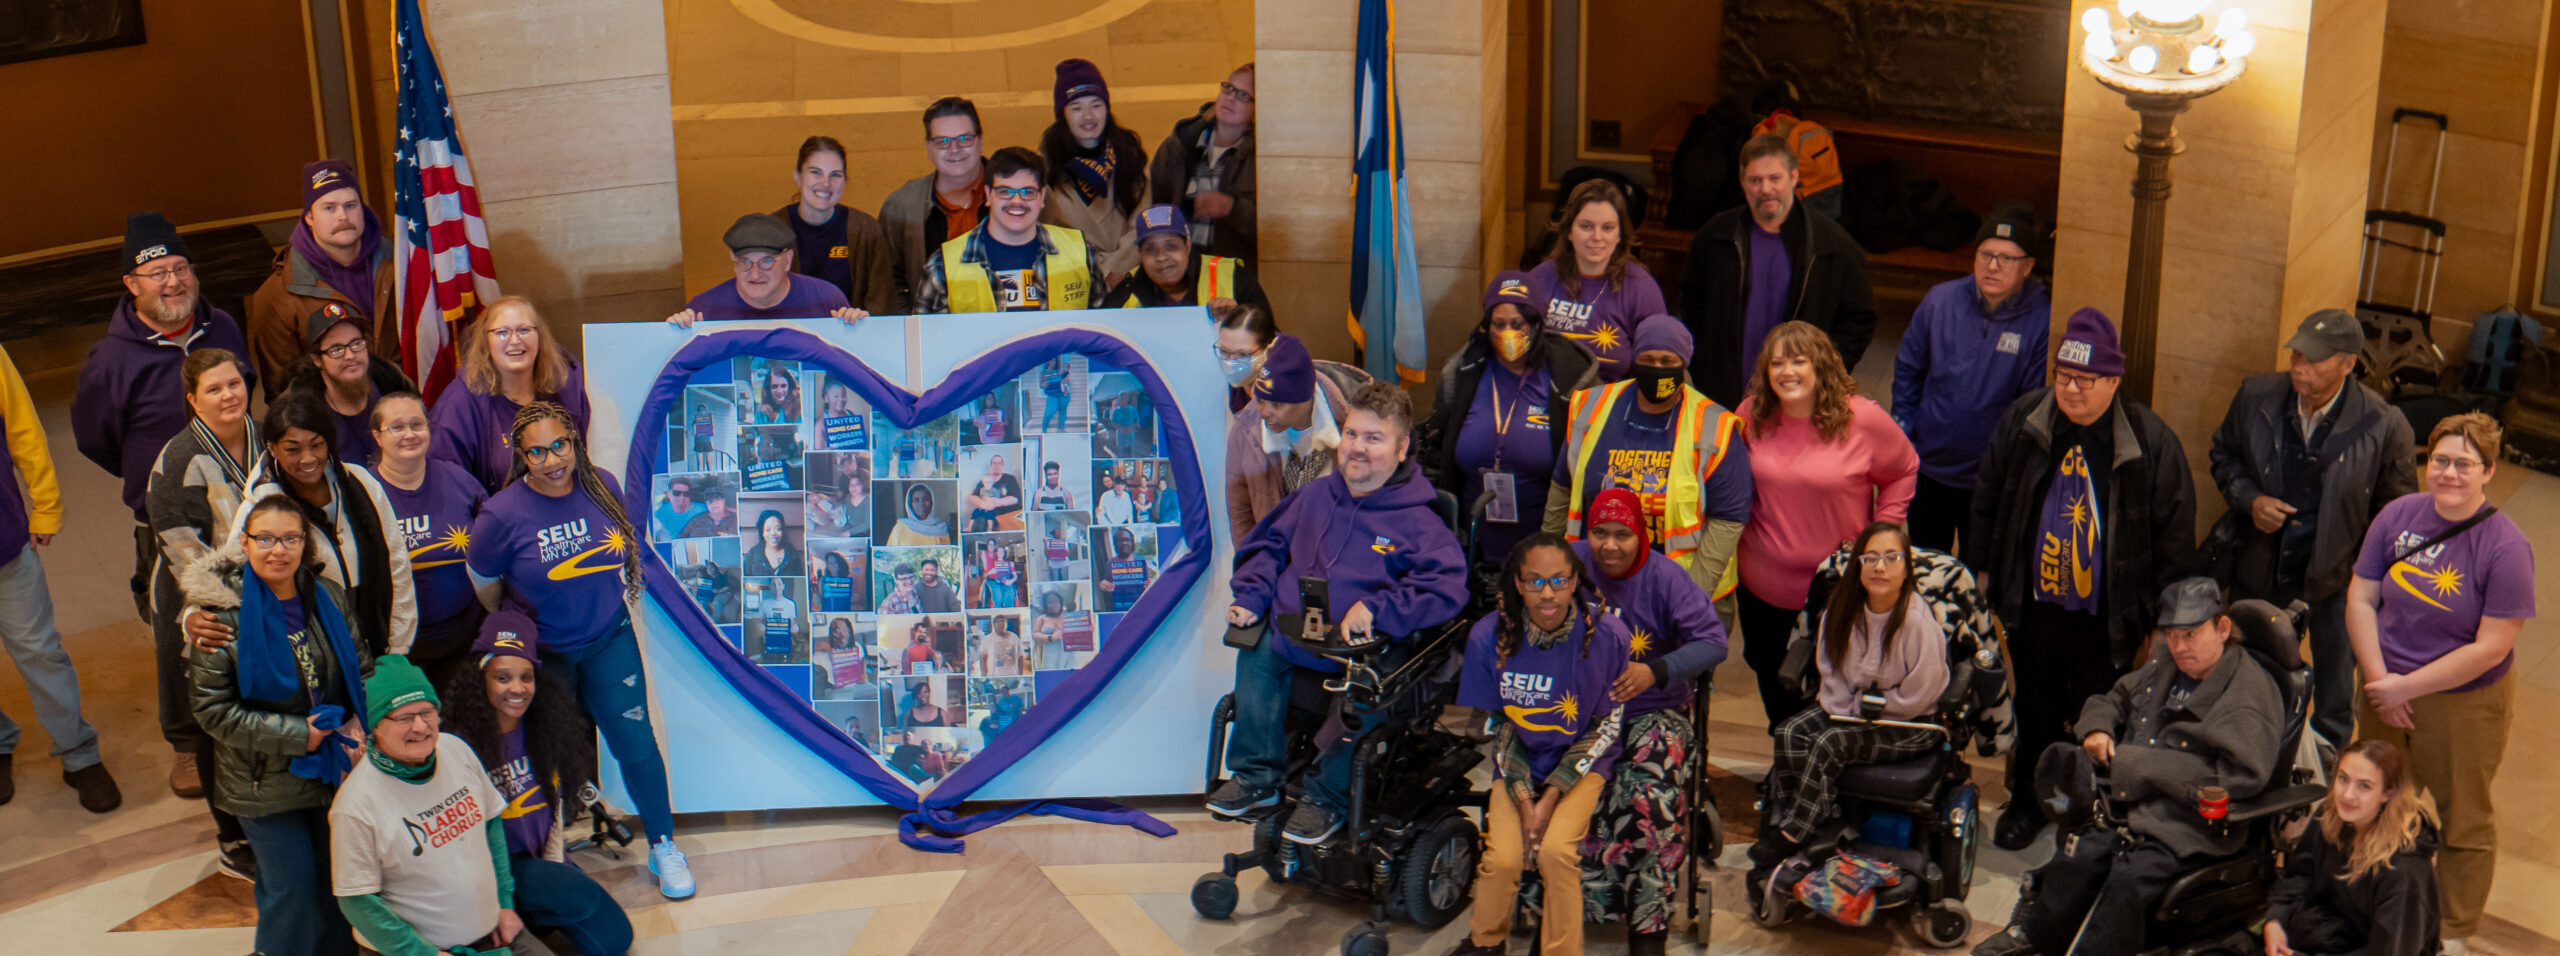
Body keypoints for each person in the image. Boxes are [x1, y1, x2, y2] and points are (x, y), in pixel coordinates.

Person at [1967, 308, 2196, 852]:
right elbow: (1988, 497)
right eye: (2063, 376)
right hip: (2034, 606)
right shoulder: (2026, 420)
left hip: (2109, 614)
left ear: (2113, 382)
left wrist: (2169, 622)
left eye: (2085, 380)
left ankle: (2091, 814)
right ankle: (2029, 801)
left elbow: (2174, 536)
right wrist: (1981, 574)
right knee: (2035, 708)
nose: (2070, 389)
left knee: (2101, 716)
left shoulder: (2149, 440)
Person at [1206, 384, 1468, 842]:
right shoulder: (1313, 497)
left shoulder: (1421, 523)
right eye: (1351, 434)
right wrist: (1250, 594)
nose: (1357, 448)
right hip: (1297, 631)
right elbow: (1266, 547)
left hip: (1362, 652)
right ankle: (1256, 779)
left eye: (1374, 438)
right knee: (1256, 645)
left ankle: (1327, 799)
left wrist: (1380, 607)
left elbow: (1446, 588)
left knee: (1369, 685)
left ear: (1401, 447)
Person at [1974, 578, 2282, 956]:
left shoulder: (2247, 696)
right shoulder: (2167, 667)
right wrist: (2098, 728)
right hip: (2128, 804)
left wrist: (2140, 766)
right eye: (2172, 634)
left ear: (2221, 628)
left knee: (2127, 880)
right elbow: (2111, 698)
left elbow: (2242, 777)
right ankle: (2032, 939)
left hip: (2190, 823)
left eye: (2191, 634)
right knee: (2080, 856)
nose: (2180, 646)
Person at [464, 402, 695, 898]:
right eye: (537, 453)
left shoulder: (602, 486)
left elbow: (620, 552)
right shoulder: (500, 515)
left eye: (560, 446)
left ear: (575, 441)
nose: (552, 461)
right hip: (545, 657)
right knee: (544, 754)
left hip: (609, 639)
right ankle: (553, 855)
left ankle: (663, 844)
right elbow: (485, 584)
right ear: (521, 457)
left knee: (636, 742)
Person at [2345, 412, 2532, 954]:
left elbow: (2492, 646)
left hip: (2463, 703)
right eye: (2441, 461)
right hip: (2385, 685)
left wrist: (2410, 689)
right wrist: (2382, 681)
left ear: (2489, 471)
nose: (2450, 473)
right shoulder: (2397, 515)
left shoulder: (2506, 548)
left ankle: (2451, 932)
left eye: (2465, 464)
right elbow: (2361, 597)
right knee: (2373, 800)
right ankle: (2364, 901)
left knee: (2463, 818)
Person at [2208, 309, 2418, 752]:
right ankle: (2248, 758)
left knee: (2335, 695)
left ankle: (2327, 782)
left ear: (2348, 363)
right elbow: (2223, 456)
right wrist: (2250, 500)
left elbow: (2396, 516)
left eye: (2316, 359)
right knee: (2251, 674)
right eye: (2298, 353)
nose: (2301, 366)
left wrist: (2361, 574)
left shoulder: (2384, 425)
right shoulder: (2256, 396)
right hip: (2262, 567)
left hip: (2338, 582)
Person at [73, 212, 257, 701]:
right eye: (158, 274)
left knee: (254, 619)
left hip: (242, 513)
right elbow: (94, 438)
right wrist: (151, 477)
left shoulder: (224, 327)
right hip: (164, 523)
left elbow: (247, 394)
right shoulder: (110, 362)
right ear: (132, 284)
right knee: (177, 632)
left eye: (181, 269)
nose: (173, 282)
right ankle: (185, 742)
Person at [183, 490, 373, 956]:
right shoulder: (219, 615)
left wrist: (366, 724)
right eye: (264, 538)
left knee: (339, 886)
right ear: (243, 544)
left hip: (333, 770)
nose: (278, 550)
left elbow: (363, 667)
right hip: (261, 781)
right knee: (291, 892)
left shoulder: (325, 595)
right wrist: (296, 736)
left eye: (290, 539)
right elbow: (212, 710)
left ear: (306, 545)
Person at [1447, 533, 1633, 956]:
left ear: (1574, 582)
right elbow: (1501, 725)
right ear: (1517, 583)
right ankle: (1485, 943)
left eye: (1558, 581)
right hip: (1519, 760)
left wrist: (1550, 797)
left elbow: (1606, 727)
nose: (1547, 594)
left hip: (1583, 761)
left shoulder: (1608, 636)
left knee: (1555, 853)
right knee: (1502, 859)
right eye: (1534, 582)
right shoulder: (1486, 636)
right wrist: (1523, 797)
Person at [1746, 522, 1947, 893]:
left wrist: (1870, 710)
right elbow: (1831, 671)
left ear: (1906, 567)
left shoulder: (1918, 621)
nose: (1880, 567)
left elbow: (1923, 692)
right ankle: (1821, 823)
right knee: (1789, 732)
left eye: (1891, 558)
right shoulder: (1840, 607)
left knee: (1830, 743)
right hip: (1850, 709)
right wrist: (1848, 708)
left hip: (1908, 722)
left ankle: (1793, 834)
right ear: (1858, 565)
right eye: (1870, 558)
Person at [1734, 321, 1918, 726]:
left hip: (1835, 591)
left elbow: (1904, 469)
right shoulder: (1751, 415)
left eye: (1799, 361)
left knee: (1832, 689)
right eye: (1777, 363)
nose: (1788, 372)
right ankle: (1788, 762)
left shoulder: (1862, 419)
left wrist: (1879, 538)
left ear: (1821, 367)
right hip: (1762, 587)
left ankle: (1818, 772)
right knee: (1771, 676)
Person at [1568, 489, 1725, 952]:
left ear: (1642, 535)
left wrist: (1654, 670)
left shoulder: (1666, 578)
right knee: (1564, 792)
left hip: (1652, 708)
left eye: (1622, 534)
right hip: (1578, 711)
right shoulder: (1566, 563)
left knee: (1649, 801)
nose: (1610, 546)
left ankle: (1648, 926)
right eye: (1599, 533)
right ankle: (1566, 906)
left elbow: (1714, 643)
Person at [441, 613, 636, 956]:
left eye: (526, 677)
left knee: (616, 941)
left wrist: (555, 865)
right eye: (503, 677)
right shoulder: (459, 745)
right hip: (496, 873)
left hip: (540, 864)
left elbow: (555, 812)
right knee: (571, 893)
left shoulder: (544, 729)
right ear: (481, 679)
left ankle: (537, 912)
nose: (517, 688)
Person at [327, 656, 545, 955]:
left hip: (493, 935)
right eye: (404, 717)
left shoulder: (455, 749)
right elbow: (356, 901)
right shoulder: (354, 806)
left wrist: (504, 904)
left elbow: (491, 824)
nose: (421, 726)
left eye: (427, 712)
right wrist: (421, 953)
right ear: (376, 726)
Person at [187, 391, 417, 662]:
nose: (308, 459)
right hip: (314, 659)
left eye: (317, 445)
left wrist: (398, 650)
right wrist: (193, 615)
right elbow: (228, 576)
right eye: (293, 449)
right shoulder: (262, 506)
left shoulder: (362, 484)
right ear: (272, 449)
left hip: (379, 648)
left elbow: (397, 564)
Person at [1544, 315, 1752, 603]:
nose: (1657, 369)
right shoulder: (1591, 406)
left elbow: (1727, 519)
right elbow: (1562, 488)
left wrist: (1691, 599)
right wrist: (1548, 561)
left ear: (1683, 364)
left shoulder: (1714, 425)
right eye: (1648, 359)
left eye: (1667, 362)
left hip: (1683, 588)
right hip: (1597, 583)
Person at [144, 349, 258, 857]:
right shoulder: (177, 461)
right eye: (214, 389)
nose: (229, 395)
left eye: (234, 383)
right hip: (202, 605)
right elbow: (188, 560)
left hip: (273, 594)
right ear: (193, 400)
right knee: (218, 725)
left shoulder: (271, 441)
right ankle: (232, 836)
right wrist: (246, 613)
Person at [1891, 202, 2053, 552]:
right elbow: (1908, 368)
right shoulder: (1940, 301)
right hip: (1929, 466)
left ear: (2027, 268)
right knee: (1925, 567)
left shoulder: (2041, 320)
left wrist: (2006, 465)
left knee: (1978, 577)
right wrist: (1904, 430)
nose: (1993, 266)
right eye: (1986, 255)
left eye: (2007, 259)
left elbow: (2031, 402)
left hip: (1989, 478)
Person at [0, 338, 117, 812]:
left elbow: (23, 429)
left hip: (3, 543)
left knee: (40, 651)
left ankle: (78, 753)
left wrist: (45, 506)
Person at [1676, 133, 1877, 407]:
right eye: (1755, 180)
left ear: (1793, 177)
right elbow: (1691, 304)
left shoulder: (1833, 246)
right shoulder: (1715, 238)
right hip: (1723, 395)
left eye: (1775, 178)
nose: (1765, 189)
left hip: (1799, 399)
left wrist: (1825, 371)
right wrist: (1703, 365)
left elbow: (1860, 319)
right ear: (1742, 181)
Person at [1422, 272, 1598, 566]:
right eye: (1499, 324)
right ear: (1486, 327)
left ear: (1538, 324)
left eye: (1518, 325)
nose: (1508, 333)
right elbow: (1434, 454)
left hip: (1547, 548)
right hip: (1470, 546)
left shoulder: (1571, 382)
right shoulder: (1462, 374)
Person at [2262, 739, 2441, 956]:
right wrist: (2276, 919)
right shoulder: (2329, 816)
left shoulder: (2405, 870)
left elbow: (2389, 951)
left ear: (2388, 793)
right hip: (2327, 937)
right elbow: (2300, 876)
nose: (2347, 795)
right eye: (2343, 779)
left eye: (2364, 786)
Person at [367, 392, 490, 683]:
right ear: (377, 436)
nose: (409, 434)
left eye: (417, 424)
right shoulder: (364, 492)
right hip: (397, 647)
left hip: (463, 639)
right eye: (396, 427)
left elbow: (495, 550)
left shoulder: (460, 481)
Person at [247, 160, 397, 398]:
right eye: (329, 208)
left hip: (405, 408)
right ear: (309, 217)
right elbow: (284, 392)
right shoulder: (278, 294)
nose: (343, 216)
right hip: (332, 421)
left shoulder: (400, 264)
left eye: (350, 205)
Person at [431, 297, 593, 493]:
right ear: (485, 340)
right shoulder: (459, 404)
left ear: (539, 336)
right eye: (502, 332)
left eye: (524, 330)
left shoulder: (565, 385)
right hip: (501, 520)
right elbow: (449, 487)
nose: (515, 340)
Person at [915, 147, 1102, 313]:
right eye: (1005, 191)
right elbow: (927, 345)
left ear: (1042, 196)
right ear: (988, 195)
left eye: (1027, 192)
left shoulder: (1081, 252)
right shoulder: (943, 265)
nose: (1017, 201)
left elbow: (1104, 335)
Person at [1226, 332, 1369, 540]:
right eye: (1261, 399)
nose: (1264, 412)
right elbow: (1241, 516)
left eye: (1277, 404)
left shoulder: (1357, 423)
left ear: (1306, 399)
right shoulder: (1245, 431)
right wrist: (1250, 566)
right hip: (1276, 561)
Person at [1529, 180, 1667, 383]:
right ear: (1569, 232)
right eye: (1586, 226)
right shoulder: (1539, 279)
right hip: (1545, 398)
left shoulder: (1642, 289)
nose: (1597, 237)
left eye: (1607, 228)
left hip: (1612, 402)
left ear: (1620, 234)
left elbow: (1659, 363)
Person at [1040, 58, 1150, 285]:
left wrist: (1116, 269)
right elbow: (1047, 234)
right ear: (1063, 115)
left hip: (1126, 277)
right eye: (1076, 108)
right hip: (1074, 280)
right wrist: (1093, 274)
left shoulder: (1129, 158)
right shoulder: (1046, 169)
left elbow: (1141, 225)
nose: (1088, 116)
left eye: (1096, 105)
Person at [880, 97, 991, 307]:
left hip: (1013, 328)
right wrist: (914, 326)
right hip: (931, 331)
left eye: (964, 139)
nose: (955, 149)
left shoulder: (1017, 194)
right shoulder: (901, 206)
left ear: (980, 141)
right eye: (942, 142)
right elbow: (888, 281)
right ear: (928, 148)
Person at [666, 213, 865, 327]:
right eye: (745, 262)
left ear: (787, 261)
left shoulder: (826, 300)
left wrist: (856, 328)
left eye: (766, 261)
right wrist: (676, 333)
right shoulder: (704, 309)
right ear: (733, 260)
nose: (754, 274)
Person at [281, 301, 415, 468]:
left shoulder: (393, 385)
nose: (350, 355)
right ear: (317, 360)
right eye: (336, 350)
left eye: (356, 344)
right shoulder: (303, 415)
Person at [1149, 62, 1257, 261]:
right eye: (1228, 88)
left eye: (1243, 95)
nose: (1230, 97)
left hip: (1231, 276)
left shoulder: (1259, 161)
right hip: (1179, 271)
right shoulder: (1179, 145)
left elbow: (1273, 233)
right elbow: (1153, 204)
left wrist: (1232, 209)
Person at [779, 134, 898, 314]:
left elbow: (883, 304)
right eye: (815, 172)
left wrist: (863, 318)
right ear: (797, 175)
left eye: (835, 175)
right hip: (788, 337)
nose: (825, 183)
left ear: (845, 182)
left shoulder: (865, 230)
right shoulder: (772, 230)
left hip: (852, 336)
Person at [1099, 204, 1273, 319]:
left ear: (1187, 246)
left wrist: (1241, 320)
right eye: (1150, 249)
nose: (1161, 257)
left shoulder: (1233, 276)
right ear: (1140, 255)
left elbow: (1272, 343)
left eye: (1171, 246)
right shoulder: (1127, 291)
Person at [1214, 303, 1280, 414]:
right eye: (1224, 351)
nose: (1230, 362)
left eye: (1243, 354)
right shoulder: (1241, 382)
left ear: (1267, 349)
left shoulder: (1286, 388)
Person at [1096, 527, 1154, 612]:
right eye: (1120, 541)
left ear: (1132, 543)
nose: (1124, 543)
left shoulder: (1141, 560)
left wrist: (1151, 583)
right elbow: (1107, 585)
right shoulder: (1110, 563)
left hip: (1141, 607)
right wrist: (1102, 585)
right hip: (1120, 609)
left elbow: (1148, 581)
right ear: (1115, 544)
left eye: (1127, 540)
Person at [966, 452, 1023, 532]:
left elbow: (1015, 499)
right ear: (991, 466)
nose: (997, 466)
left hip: (1009, 515)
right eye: (994, 463)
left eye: (999, 463)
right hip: (991, 517)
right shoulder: (986, 479)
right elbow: (972, 497)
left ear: (1003, 466)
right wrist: (982, 504)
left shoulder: (1010, 478)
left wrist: (994, 501)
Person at [888, 483, 953, 546]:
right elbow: (890, 554)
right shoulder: (900, 527)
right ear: (910, 504)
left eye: (926, 499)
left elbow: (946, 554)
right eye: (916, 500)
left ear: (932, 502)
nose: (921, 504)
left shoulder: (941, 528)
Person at [744, 509, 803, 576]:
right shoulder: (753, 555)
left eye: (778, 529)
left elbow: (799, 583)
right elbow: (745, 583)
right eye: (768, 530)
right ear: (762, 532)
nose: (773, 533)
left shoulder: (792, 554)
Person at [977, 541, 1021, 608]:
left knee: (1009, 595)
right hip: (994, 582)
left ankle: (1009, 613)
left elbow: (1015, 576)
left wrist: (1011, 581)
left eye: (1002, 551)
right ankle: (997, 612)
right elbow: (984, 575)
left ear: (1004, 553)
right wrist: (990, 572)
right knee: (998, 596)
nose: (1001, 553)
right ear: (996, 553)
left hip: (1006, 582)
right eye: (999, 551)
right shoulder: (992, 563)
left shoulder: (1009, 563)